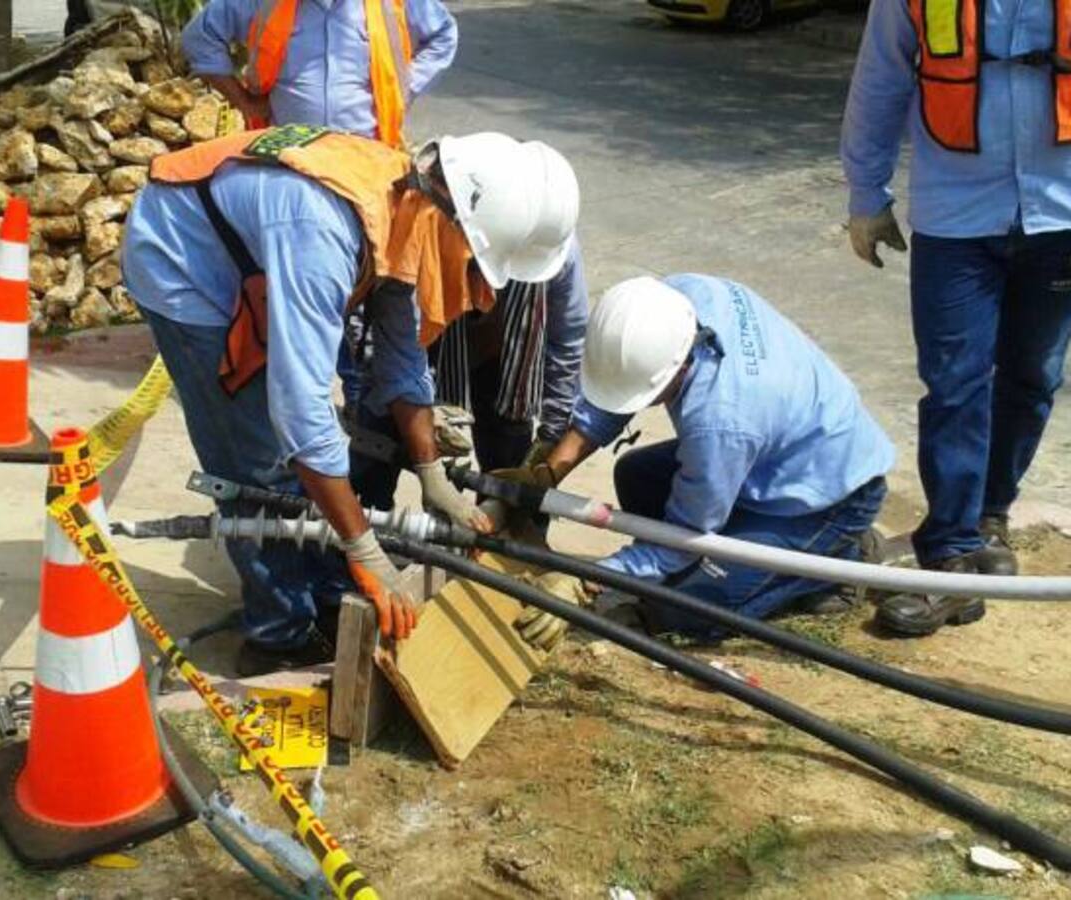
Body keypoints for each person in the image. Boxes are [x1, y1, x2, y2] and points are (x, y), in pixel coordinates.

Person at [121, 125, 579, 675]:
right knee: (255, 463)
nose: (476, 283)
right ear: (456, 220)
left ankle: (320, 592)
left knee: (294, 461)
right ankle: (279, 636)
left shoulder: (411, 201)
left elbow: (401, 357)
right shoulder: (324, 231)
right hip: (181, 261)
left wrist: (431, 470)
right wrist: (363, 548)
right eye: (477, 264)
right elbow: (302, 415)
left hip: (253, 248)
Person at [491, 274, 895, 643]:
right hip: (782, 455)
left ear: (677, 371)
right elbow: (621, 388)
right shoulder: (677, 302)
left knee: (681, 611)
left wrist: (585, 580)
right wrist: (547, 473)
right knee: (637, 476)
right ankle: (747, 545)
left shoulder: (720, 421)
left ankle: (840, 556)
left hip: (830, 497)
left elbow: (681, 541)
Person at [840, 0, 1071, 634]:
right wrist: (866, 194)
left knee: (1033, 376)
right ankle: (949, 555)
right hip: (956, 216)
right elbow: (881, 78)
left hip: (1063, 211)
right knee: (954, 384)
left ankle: (988, 516)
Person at [348, 237, 589, 511]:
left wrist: (551, 436)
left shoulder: (556, 248)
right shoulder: (426, 232)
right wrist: (413, 408)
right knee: (372, 466)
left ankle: (493, 544)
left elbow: (568, 342)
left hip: (507, 367)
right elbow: (376, 329)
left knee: (513, 494)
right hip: (418, 350)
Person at [181, 0, 458, 145]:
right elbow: (199, 37)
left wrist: (401, 90)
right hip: (287, 157)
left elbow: (444, 34)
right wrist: (243, 101)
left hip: (368, 157)